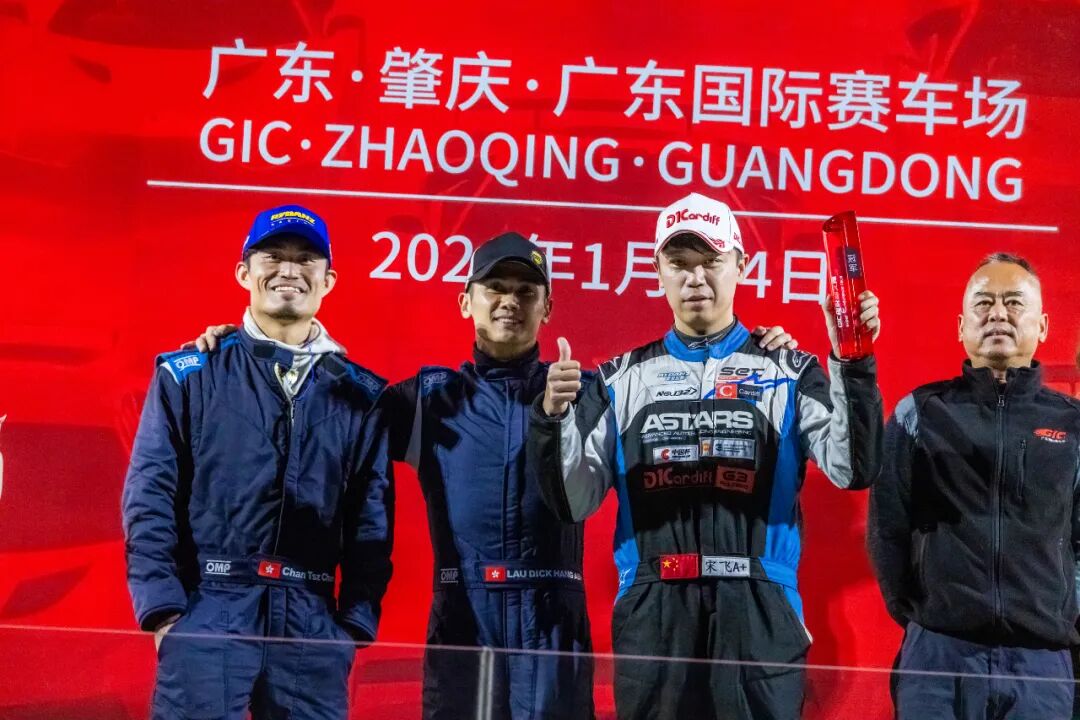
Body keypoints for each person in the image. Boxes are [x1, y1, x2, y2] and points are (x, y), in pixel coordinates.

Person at [190, 229, 798, 719]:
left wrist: (757, 347)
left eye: (526, 291)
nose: (509, 301)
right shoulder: (429, 397)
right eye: (494, 288)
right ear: (466, 301)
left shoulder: (588, 392)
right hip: (464, 618)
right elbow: (320, 412)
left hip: (553, 622)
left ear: (546, 308)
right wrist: (244, 345)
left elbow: (689, 421)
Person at [527, 192, 884, 720]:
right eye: (679, 263)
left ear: (742, 264)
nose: (696, 278)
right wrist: (552, 419)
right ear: (657, 272)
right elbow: (571, 501)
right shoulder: (617, 380)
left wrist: (851, 359)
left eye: (712, 261)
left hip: (759, 608)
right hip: (654, 610)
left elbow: (853, 468)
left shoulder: (790, 369)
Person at [122, 205, 393, 720]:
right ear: (244, 273)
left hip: (312, 624)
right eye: (273, 255)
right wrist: (164, 612)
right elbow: (149, 497)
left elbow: (372, 516)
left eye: (306, 258)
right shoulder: (189, 373)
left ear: (328, 281)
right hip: (209, 609)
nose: (289, 269)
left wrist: (353, 624)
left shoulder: (362, 395)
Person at [868, 253, 1080, 719]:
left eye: (1014, 302)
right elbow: (888, 530)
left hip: (1041, 664)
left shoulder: (1074, 426)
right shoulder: (920, 413)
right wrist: (926, 614)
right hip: (938, 656)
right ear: (961, 326)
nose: (998, 314)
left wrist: (1060, 612)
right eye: (983, 303)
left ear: (1043, 326)